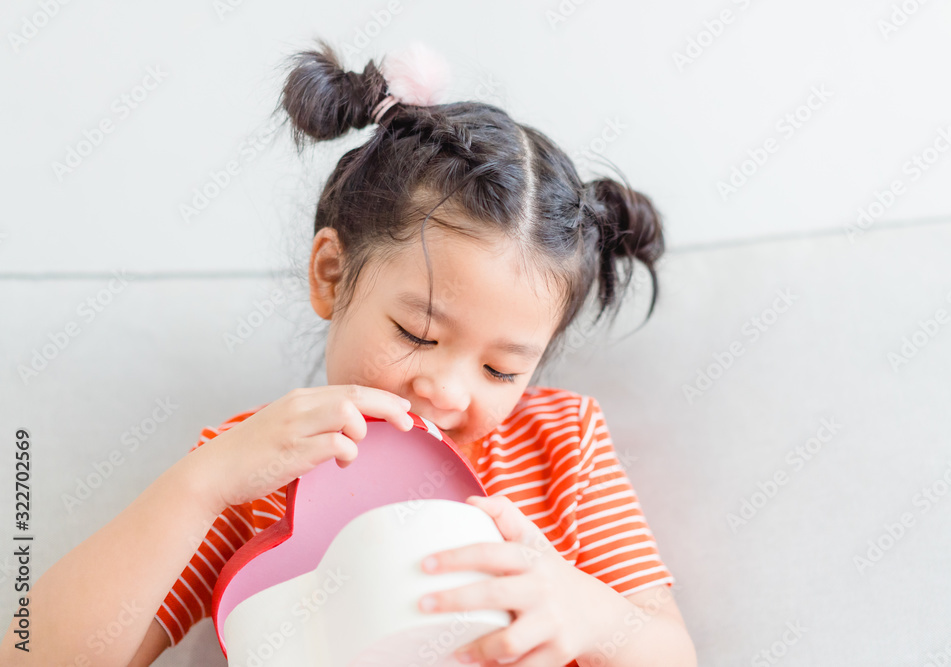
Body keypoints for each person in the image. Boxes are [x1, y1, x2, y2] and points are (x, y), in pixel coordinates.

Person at [1, 40, 697, 667]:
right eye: (418, 335)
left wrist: (589, 613)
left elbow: (669, 653)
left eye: (500, 369)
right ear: (331, 275)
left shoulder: (561, 445)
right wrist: (203, 484)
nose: (448, 391)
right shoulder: (258, 463)